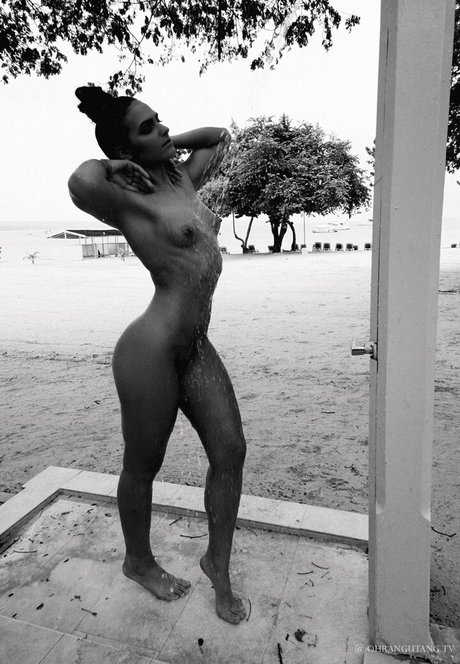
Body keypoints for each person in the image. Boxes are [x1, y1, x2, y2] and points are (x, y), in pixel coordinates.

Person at [68, 87, 247, 624]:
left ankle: (217, 564)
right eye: (148, 127)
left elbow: (219, 137)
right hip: (150, 352)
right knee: (143, 466)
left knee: (231, 451)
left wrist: (167, 144)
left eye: (159, 120)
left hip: (195, 345)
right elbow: (80, 181)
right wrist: (114, 163)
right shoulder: (130, 197)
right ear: (126, 148)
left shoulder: (182, 179)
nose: (163, 129)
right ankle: (138, 562)